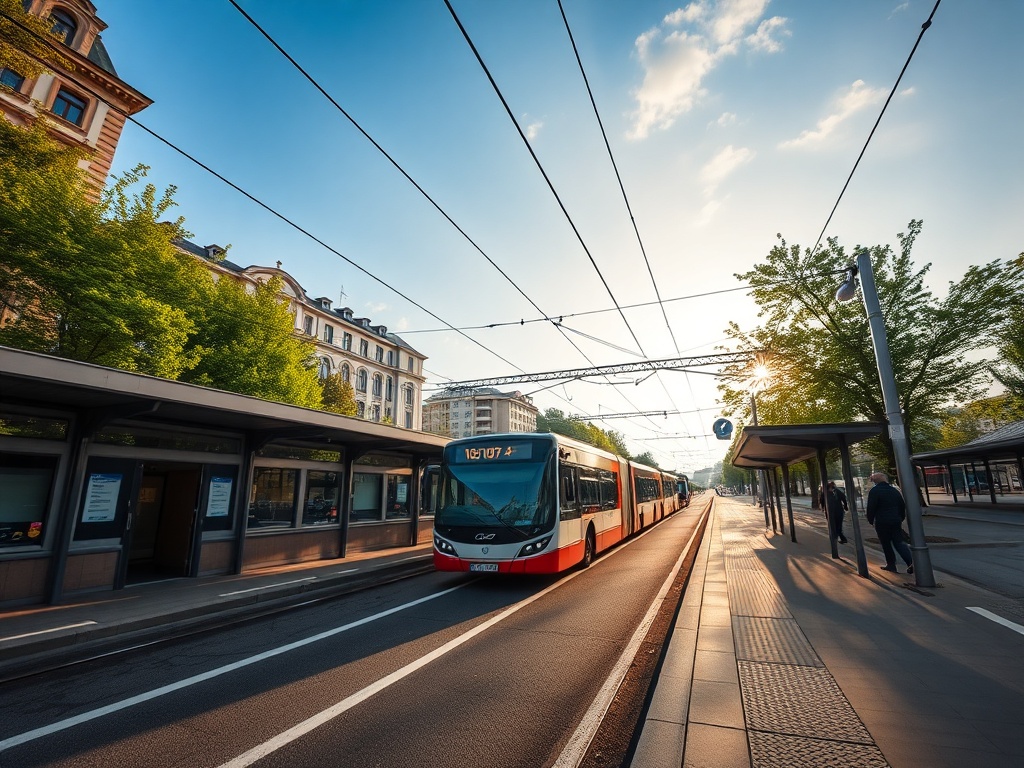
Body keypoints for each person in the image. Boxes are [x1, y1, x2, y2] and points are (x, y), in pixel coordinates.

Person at [865, 471, 914, 574]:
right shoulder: (894, 491)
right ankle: (910, 562)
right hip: (895, 520)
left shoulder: (874, 491)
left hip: (882, 521)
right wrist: (900, 518)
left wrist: (870, 520)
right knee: (899, 542)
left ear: (875, 481)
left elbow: (871, 508)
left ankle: (891, 565)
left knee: (886, 543)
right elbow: (902, 506)